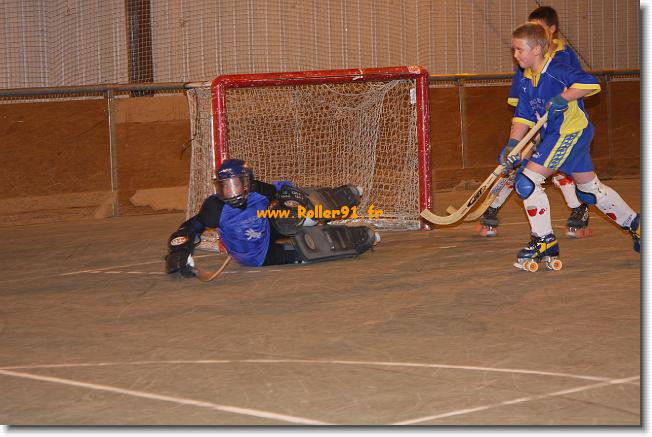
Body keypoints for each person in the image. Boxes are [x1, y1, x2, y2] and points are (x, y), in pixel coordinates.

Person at [500, 23, 639, 270]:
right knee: (589, 191)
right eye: (514, 50)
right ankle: (637, 224)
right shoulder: (526, 79)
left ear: (537, 49)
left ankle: (543, 240)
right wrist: (513, 144)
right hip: (559, 135)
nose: (515, 54)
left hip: (569, 132)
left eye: (520, 49)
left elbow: (591, 83)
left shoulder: (557, 70)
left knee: (526, 181)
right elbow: (523, 116)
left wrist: (564, 97)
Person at [478, 6, 590, 239]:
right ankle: (491, 209)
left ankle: (578, 209)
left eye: (539, 28)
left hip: (558, 125)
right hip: (535, 122)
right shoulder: (526, 58)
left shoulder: (564, 57)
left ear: (552, 30)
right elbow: (521, 99)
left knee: (555, 169)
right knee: (514, 162)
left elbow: (578, 89)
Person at [165, 159, 379, 278]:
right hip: (257, 255)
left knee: (289, 215)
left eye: (235, 185)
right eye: (225, 186)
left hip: (266, 227)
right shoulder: (215, 207)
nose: (229, 191)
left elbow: (279, 190)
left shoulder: (258, 191)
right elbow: (191, 226)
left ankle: (315, 217)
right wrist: (180, 250)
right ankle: (350, 240)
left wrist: (292, 193)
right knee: (305, 250)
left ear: (247, 183)